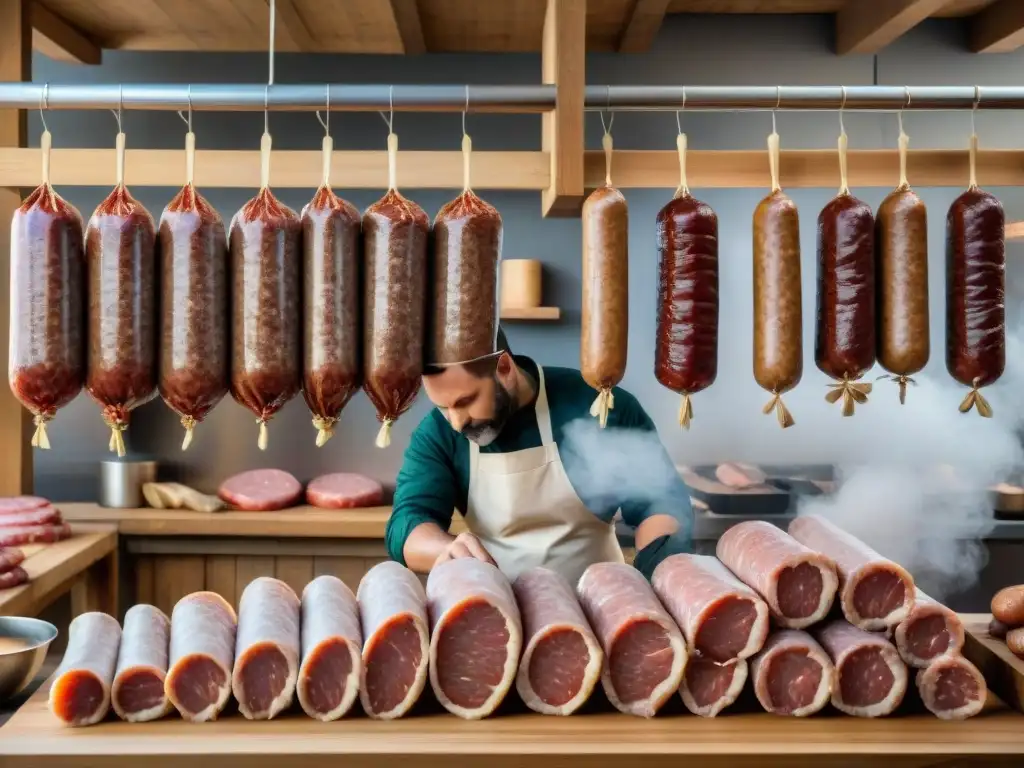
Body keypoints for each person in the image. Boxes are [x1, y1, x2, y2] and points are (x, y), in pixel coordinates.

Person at [385, 330, 693, 585]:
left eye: (466, 401)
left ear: (504, 368)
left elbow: (660, 502)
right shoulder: (438, 432)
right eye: (443, 406)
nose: (456, 422)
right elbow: (408, 519)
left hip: (600, 607)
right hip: (497, 616)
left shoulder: (599, 406)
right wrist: (446, 548)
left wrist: (659, 568)